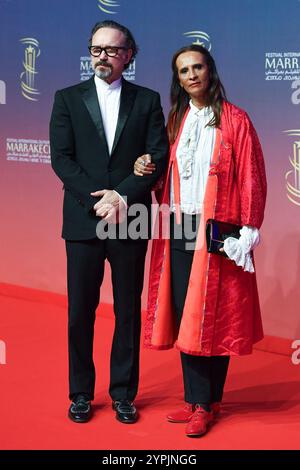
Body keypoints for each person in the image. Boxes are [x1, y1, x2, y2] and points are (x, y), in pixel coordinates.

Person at [134, 44, 267, 437]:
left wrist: (249, 226)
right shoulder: (174, 120)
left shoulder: (235, 120)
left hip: (218, 226)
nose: (191, 75)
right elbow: (164, 173)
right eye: (183, 71)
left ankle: (206, 404)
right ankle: (196, 400)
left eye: (197, 67)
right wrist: (145, 166)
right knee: (184, 311)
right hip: (178, 224)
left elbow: (251, 176)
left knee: (213, 314)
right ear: (177, 79)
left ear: (210, 71)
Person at [50, 20, 168, 424]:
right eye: (96, 49)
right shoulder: (67, 98)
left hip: (130, 216)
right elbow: (62, 159)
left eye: (112, 50)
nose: (102, 56)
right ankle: (81, 392)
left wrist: (121, 195)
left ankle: (123, 393)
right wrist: (96, 199)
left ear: (128, 56)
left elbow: (156, 155)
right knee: (79, 310)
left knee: (127, 310)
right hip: (84, 217)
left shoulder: (148, 100)